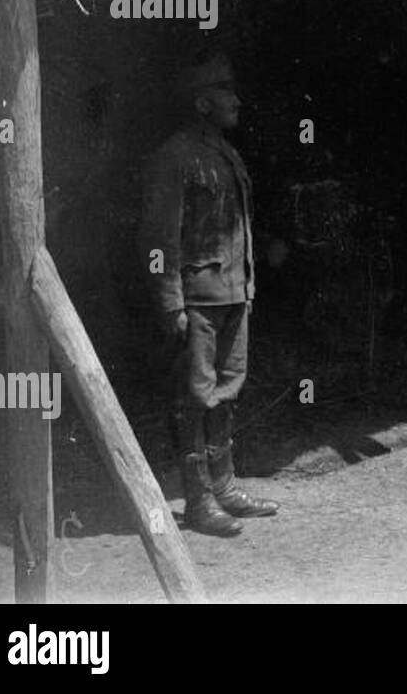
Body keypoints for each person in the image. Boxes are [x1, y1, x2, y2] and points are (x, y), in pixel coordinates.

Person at [140, 50, 278, 538]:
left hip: (234, 294)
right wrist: (171, 303)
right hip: (197, 299)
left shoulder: (226, 152)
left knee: (226, 392)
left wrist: (249, 287)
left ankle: (224, 487)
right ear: (202, 102)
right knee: (193, 399)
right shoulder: (175, 157)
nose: (237, 101)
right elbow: (160, 239)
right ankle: (198, 501)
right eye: (226, 93)